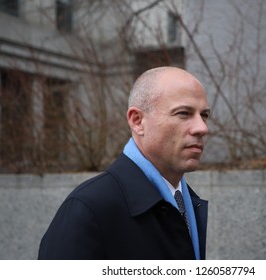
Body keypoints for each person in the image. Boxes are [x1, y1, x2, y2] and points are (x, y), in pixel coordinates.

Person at [38, 66, 210, 260]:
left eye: (204, 115)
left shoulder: (186, 203)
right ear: (137, 121)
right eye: (183, 113)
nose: (201, 128)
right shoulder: (89, 209)